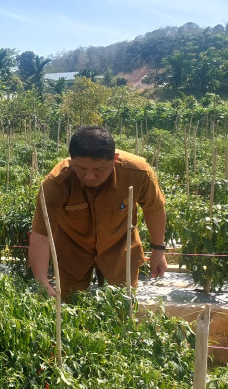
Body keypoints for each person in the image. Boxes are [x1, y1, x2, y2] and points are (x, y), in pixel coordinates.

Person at [28, 125, 167, 301]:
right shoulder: (56, 183)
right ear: (72, 160)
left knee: (120, 307)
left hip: (120, 250)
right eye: (81, 169)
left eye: (98, 170)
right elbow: (41, 234)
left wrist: (158, 250)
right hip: (72, 250)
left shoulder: (137, 173)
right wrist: (42, 282)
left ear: (114, 159)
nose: (89, 176)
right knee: (70, 307)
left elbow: (154, 208)